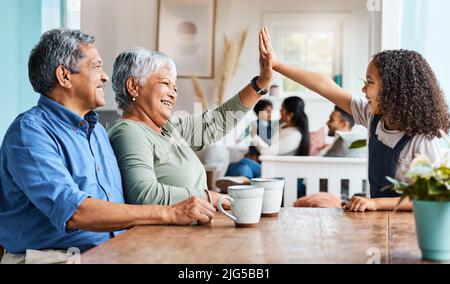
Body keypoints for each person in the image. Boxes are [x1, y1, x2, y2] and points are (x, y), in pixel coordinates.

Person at [0, 29, 215, 264]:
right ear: (64, 76)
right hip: (54, 259)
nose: (105, 77)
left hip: (113, 251)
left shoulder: (98, 133)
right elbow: (74, 211)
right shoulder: (30, 133)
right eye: (96, 67)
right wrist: (171, 212)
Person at [260, 27, 450, 212]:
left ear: (393, 90)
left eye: (370, 82)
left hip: (407, 227)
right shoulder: (372, 116)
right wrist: (276, 64)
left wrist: (376, 203)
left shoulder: (422, 138)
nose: (363, 90)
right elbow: (324, 85)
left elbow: (431, 195)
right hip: (375, 219)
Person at [106, 40, 273, 207]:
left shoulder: (168, 128)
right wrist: (210, 198)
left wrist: (261, 83)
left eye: (175, 88)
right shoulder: (129, 132)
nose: (173, 94)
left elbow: (218, 121)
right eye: (165, 83)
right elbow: (144, 194)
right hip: (165, 233)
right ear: (133, 86)